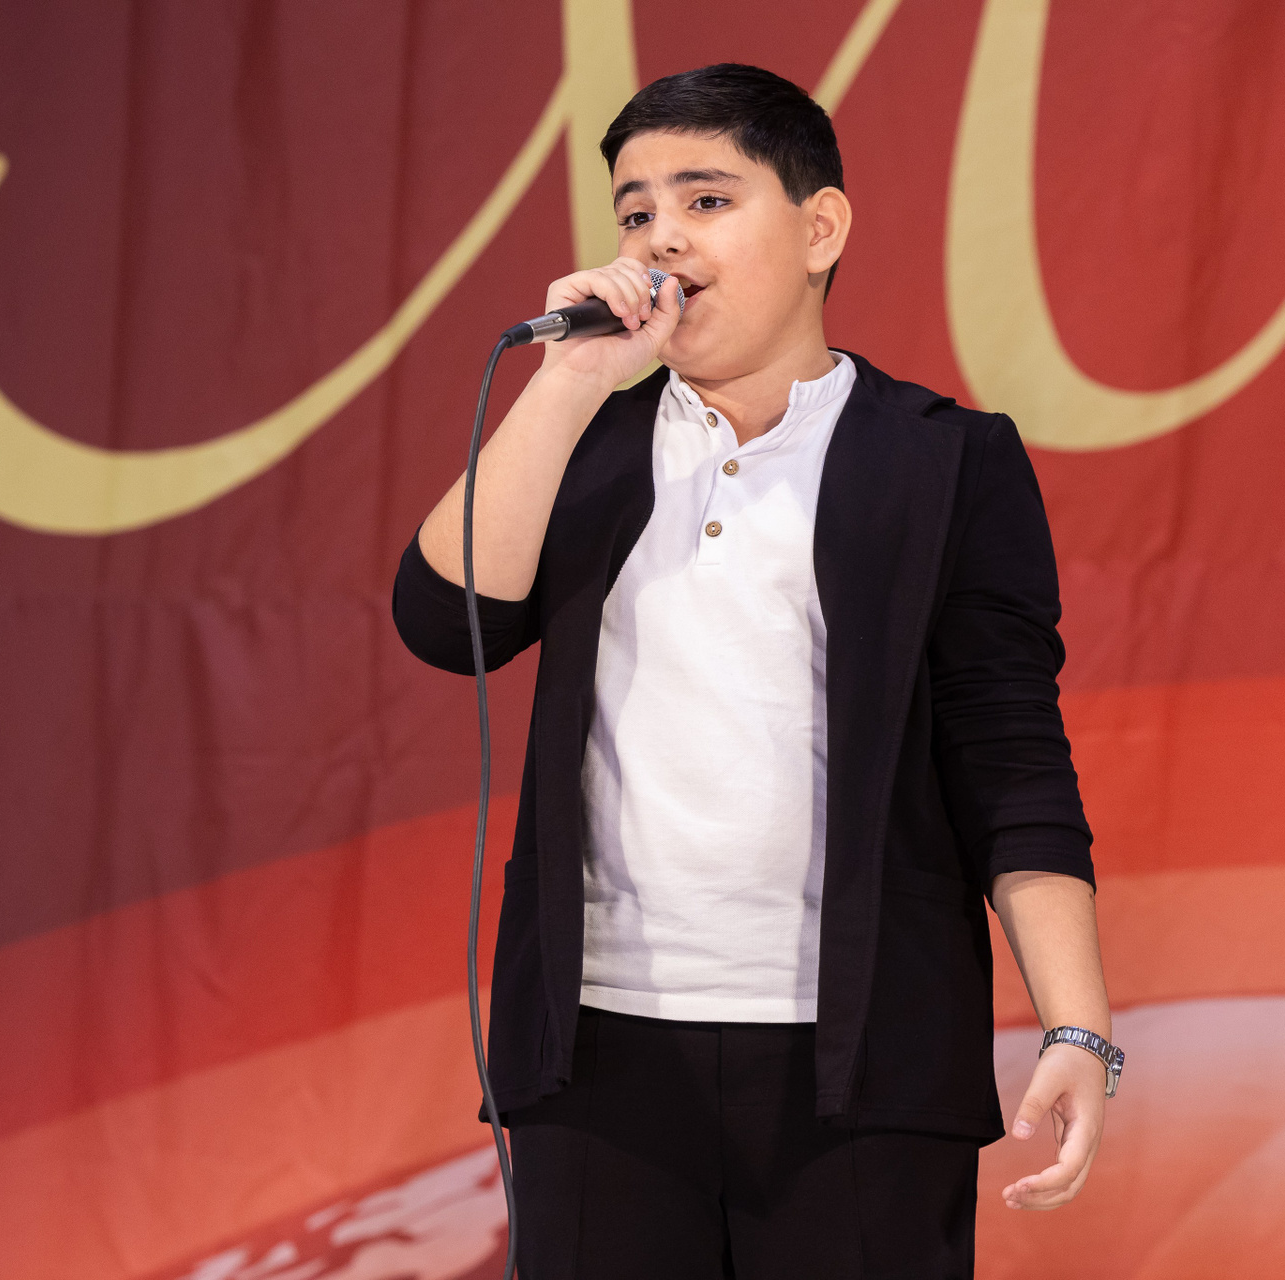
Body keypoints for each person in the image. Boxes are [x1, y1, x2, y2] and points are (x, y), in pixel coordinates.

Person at [392, 62, 1117, 1279]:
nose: (661, 238)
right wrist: (568, 380)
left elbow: (1009, 755)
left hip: (862, 1060)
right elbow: (443, 619)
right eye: (634, 211)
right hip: (598, 1051)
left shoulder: (944, 462)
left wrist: (1078, 1023)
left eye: (707, 200)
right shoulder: (582, 446)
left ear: (820, 228)